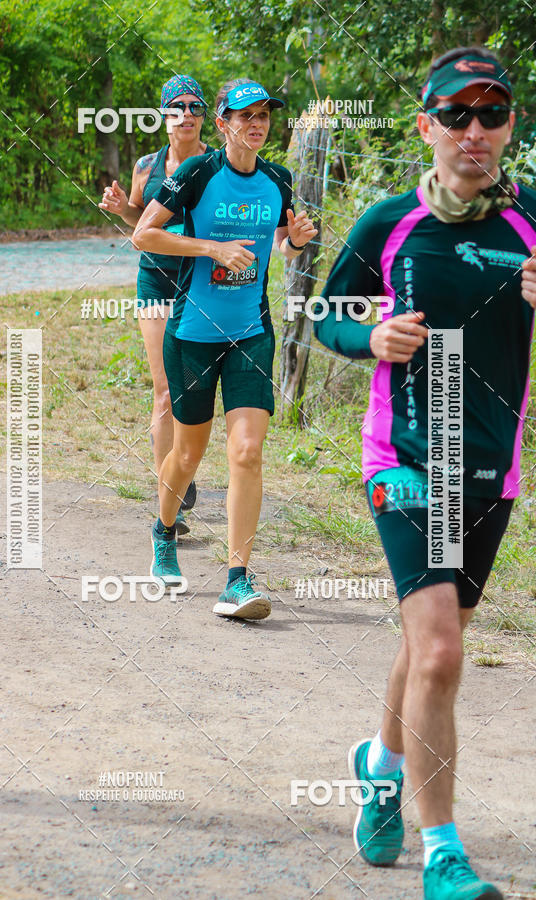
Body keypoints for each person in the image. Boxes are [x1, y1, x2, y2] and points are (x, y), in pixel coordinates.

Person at [314, 47, 535, 900]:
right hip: (406, 459)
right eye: (456, 114)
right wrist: (367, 336)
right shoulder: (388, 223)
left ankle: (380, 764)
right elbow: (323, 313)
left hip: (490, 466)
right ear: (426, 126)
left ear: (510, 125)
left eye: (492, 113)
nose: (474, 130)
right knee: (441, 650)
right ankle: (443, 851)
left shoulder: (531, 219)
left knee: (429, 644)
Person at [132, 78, 317, 619]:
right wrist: (211, 247)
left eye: (264, 115)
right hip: (192, 333)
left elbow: (281, 243)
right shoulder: (197, 173)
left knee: (247, 452)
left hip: (251, 333)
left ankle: (238, 579)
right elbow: (144, 234)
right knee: (187, 455)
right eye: (245, 115)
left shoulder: (278, 179)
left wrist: (296, 240)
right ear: (223, 123)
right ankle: (164, 530)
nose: (257, 124)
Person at [99, 74, 210, 534]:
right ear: (163, 116)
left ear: (204, 116)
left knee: (194, 386)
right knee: (164, 389)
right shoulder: (147, 166)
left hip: (202, 281)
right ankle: (171, 499)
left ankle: (182, 466)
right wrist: (122, 207)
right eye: (177, 107)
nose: (186, 115)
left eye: (195, 107)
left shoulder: (217, 165)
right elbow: (139, 219)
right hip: (156, 279)